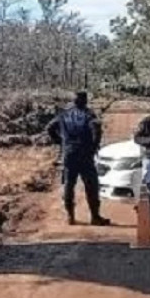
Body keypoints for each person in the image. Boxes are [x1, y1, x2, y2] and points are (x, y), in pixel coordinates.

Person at [47, 91, 111, 226]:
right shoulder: (89, 114)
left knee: (69, 184)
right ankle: (95, 216)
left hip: (69, 153)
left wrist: (61, 141)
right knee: (91, 185)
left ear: (73, 101)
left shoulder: (64, 114)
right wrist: (94, 147)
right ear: (85, 101)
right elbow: (96, 131)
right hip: (85, 154)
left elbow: (50, 128)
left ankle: (70, 216)